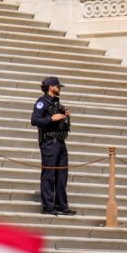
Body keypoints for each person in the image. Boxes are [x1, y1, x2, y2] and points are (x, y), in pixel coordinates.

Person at [31, 76, 76, 216]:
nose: (60, 88)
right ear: (51, 87)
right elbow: (34, 120)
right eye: (58, 86)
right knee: (49, 175)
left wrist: (64, 115)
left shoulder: (57, 103)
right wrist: (51, 118)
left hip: (61, 143)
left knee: (62, 175)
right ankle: (49, 206)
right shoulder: (42, 102)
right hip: (49, 143)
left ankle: (62, 205)